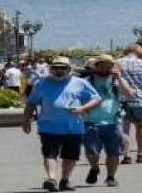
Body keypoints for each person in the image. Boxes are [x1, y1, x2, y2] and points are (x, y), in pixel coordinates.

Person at [23, 56, 101, 192]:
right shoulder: (41, 83)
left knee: (70, 156)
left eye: (63, 68)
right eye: (55, 68)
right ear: (50, 69)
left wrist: (83, 108)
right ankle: (52, 178)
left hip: (74, 127)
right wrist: (26, 120)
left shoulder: (80, 82)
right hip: (48, 126)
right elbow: (31, 103)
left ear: (69, 69)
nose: (59, 71)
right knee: (49, 154)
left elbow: (96, 99)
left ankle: (64, 180)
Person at [82, 55, 133, 188]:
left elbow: (129, 94)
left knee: (113, 153)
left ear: (112, 67)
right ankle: (94, 168)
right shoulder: (87, 81)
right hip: (90, 121)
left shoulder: (116, 81)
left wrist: (119, 78)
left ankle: (110, 177)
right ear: (96, 66)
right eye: (101, 65)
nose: (105, 69)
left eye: (108, 66)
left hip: (112, 122)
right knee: (92, 152)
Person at [117, 43, 142, 164]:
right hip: (140, 100)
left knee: (124, 128)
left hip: (121, 100)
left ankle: (126, 155)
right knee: (140, 126)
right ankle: (141, 154)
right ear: (136, 50)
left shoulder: (116, 62)